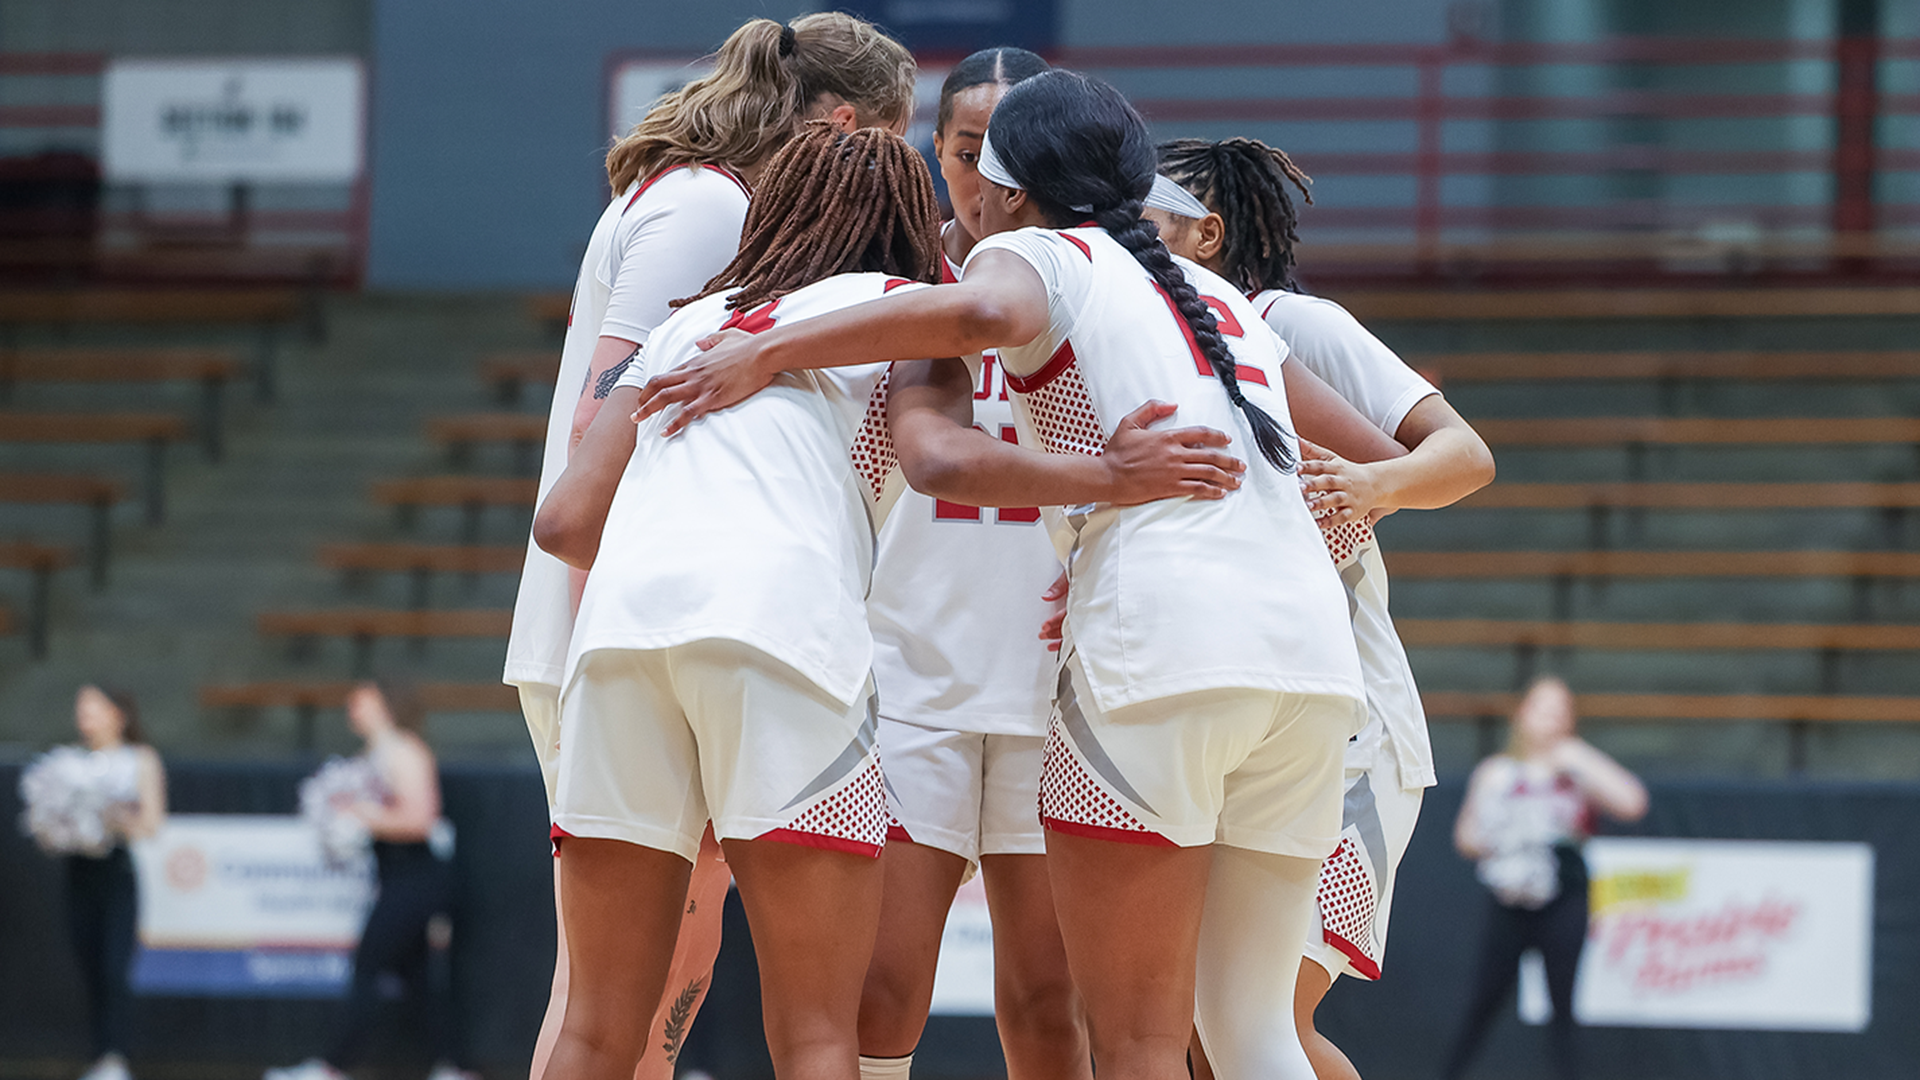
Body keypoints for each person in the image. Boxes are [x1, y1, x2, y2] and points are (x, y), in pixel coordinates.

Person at [633, 69, 1378, 1080]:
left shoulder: (1029, 257)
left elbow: (980, 319)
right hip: (1306, 663)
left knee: (1139, 1039)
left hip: (1159, 649)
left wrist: (766, 350)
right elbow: (1375, 464)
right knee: (1248, 1031)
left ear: (1007, 186)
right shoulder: (1215, 297)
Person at [499, 14, 918, 1079]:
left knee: (600, 1015)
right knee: (813, 1030)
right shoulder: (885, 300)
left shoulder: (700, 317)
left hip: (619, 631)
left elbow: (562, 515)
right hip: (765, 633)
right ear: (844, 127)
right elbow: (968, 405)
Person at [1145, 138, 1495, 1080]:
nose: (1125, 227)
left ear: (1207, 233)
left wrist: (1375, 482)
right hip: (1235, 712)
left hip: (1346, 729)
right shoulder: (1144, 334)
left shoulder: (1289, 320)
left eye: (1150, 211)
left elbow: (1465, 456)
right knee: (1195, 1033)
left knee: (1257, 1023)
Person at [1442, 676, 1648, 1080]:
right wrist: (1504, 833)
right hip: (1509, 900)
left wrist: (1576, 756)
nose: (1549, 719)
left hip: (1563, 899)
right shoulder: (1496, 773)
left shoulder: (1576, 769)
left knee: (1562, 1008)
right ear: (1522, 714)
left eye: (1560, 711)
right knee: (1483, 1002)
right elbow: (1465, 839)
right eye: (1541, 708)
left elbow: (1632, 803)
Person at [265, 681, 471, 1080]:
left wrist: (360, 813)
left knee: (368, 965)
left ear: (385, 703)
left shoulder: (405, 750)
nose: (352, 707)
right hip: (394, 874)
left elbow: (420, 820)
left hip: (419, 877)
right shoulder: (369, 756)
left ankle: (331, 1067)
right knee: (419, 978)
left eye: (362, 700)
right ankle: (453, 1068)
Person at [62, 686, 165, 1080]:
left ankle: (115, 1060)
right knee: (89, 967)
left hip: (116, 873)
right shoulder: (69, 761)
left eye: (94, 708)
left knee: (113, 968)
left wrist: (112, 815)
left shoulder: (139, 759)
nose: (84, 715)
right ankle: (100, 1056)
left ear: (118, 714)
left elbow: (152, 824)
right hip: (77, 871)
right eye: (80, 708)